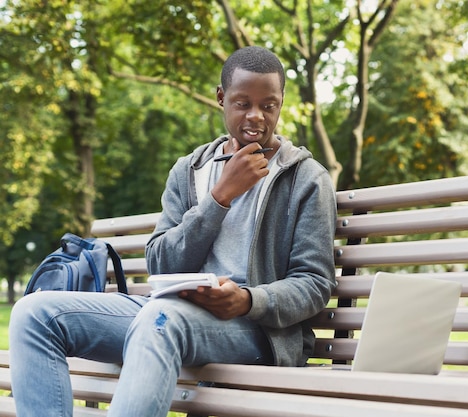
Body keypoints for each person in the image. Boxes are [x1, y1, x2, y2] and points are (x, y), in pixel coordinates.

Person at [9, 46, 337, 417]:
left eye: (269, 105)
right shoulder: (190, 170)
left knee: (160, 319)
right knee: (33, 313)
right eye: (242, 103)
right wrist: (219, 198)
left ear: (281, 104)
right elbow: (161, 263)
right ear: (221, 98)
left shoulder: (306, 179)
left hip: (255, 331)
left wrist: (247, 299)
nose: (256, 116)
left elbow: (313, 283)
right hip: (168, 312)